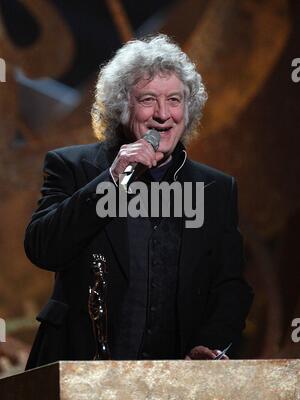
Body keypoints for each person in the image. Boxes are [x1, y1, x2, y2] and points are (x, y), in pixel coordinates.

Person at [24, 34, 253, 369]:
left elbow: (231, 286)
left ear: (187, 110)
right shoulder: (73, 168)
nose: (164, 114)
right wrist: (112, 180)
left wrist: (209, 343)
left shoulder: (215, 189)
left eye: (174, 100)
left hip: (173, 383)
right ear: (122, 106)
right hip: (80, 370)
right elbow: (43, 249)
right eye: (148, 100)